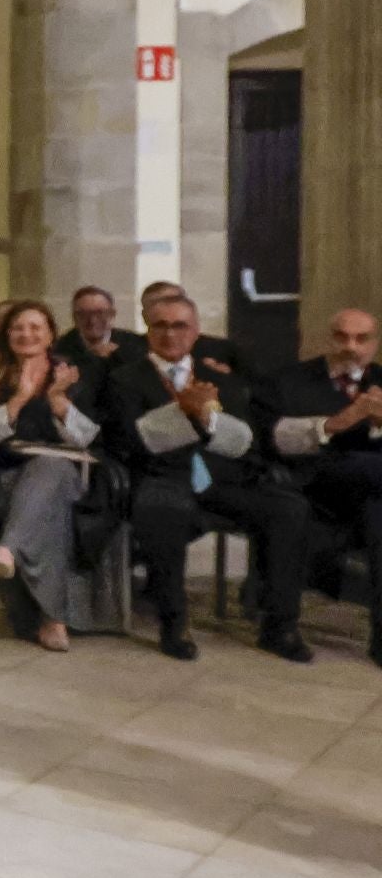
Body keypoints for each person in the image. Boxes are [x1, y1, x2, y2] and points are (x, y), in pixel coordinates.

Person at [107, 295, 311, 663]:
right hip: (162, 476)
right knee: (164, 508)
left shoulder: (222, 380)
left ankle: (280, 627)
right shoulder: (124, 379)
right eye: (160, 325)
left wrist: (207, 418)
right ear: (148, 330)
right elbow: (130, 440)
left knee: (288, 508)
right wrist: (183, 412)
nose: (170, 334)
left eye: (179, 325)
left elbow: (244, 441)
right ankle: (174, 623)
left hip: (220, 479)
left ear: (196, 331)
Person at [0, 300, 115, 651]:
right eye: (18, 328)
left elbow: (90, 438)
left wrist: (58, 400)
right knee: (48, 512)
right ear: (6, 335)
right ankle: (53, 621)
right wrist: (20, 398)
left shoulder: (74, 375)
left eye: (35, 328)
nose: (26, 334)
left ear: (51, 335)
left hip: (70, 477)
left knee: (50, 469)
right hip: (3, 478)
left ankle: (8, 548)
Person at [264, 308, 382, 664]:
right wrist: (339, 422)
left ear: (375, 344)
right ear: (328, 339)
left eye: (361, 339)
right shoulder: (291, 379)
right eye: (342, 337)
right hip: (310, 481)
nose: (351, 347)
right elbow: (277, 439)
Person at [140, 280, 251, 379]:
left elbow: (253, 388)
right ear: (145, 315)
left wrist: (228, 380)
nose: (170, 334)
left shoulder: (222, 350)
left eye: (177, 301)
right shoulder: (133, 352)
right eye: (161, 305)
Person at [56, 284, 147, 372]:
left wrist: (118, 356)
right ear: (74, 317)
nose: (92, 320)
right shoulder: (60, 349)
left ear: (112, 314)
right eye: (84, 314)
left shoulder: (134, 344)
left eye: (100, 313)